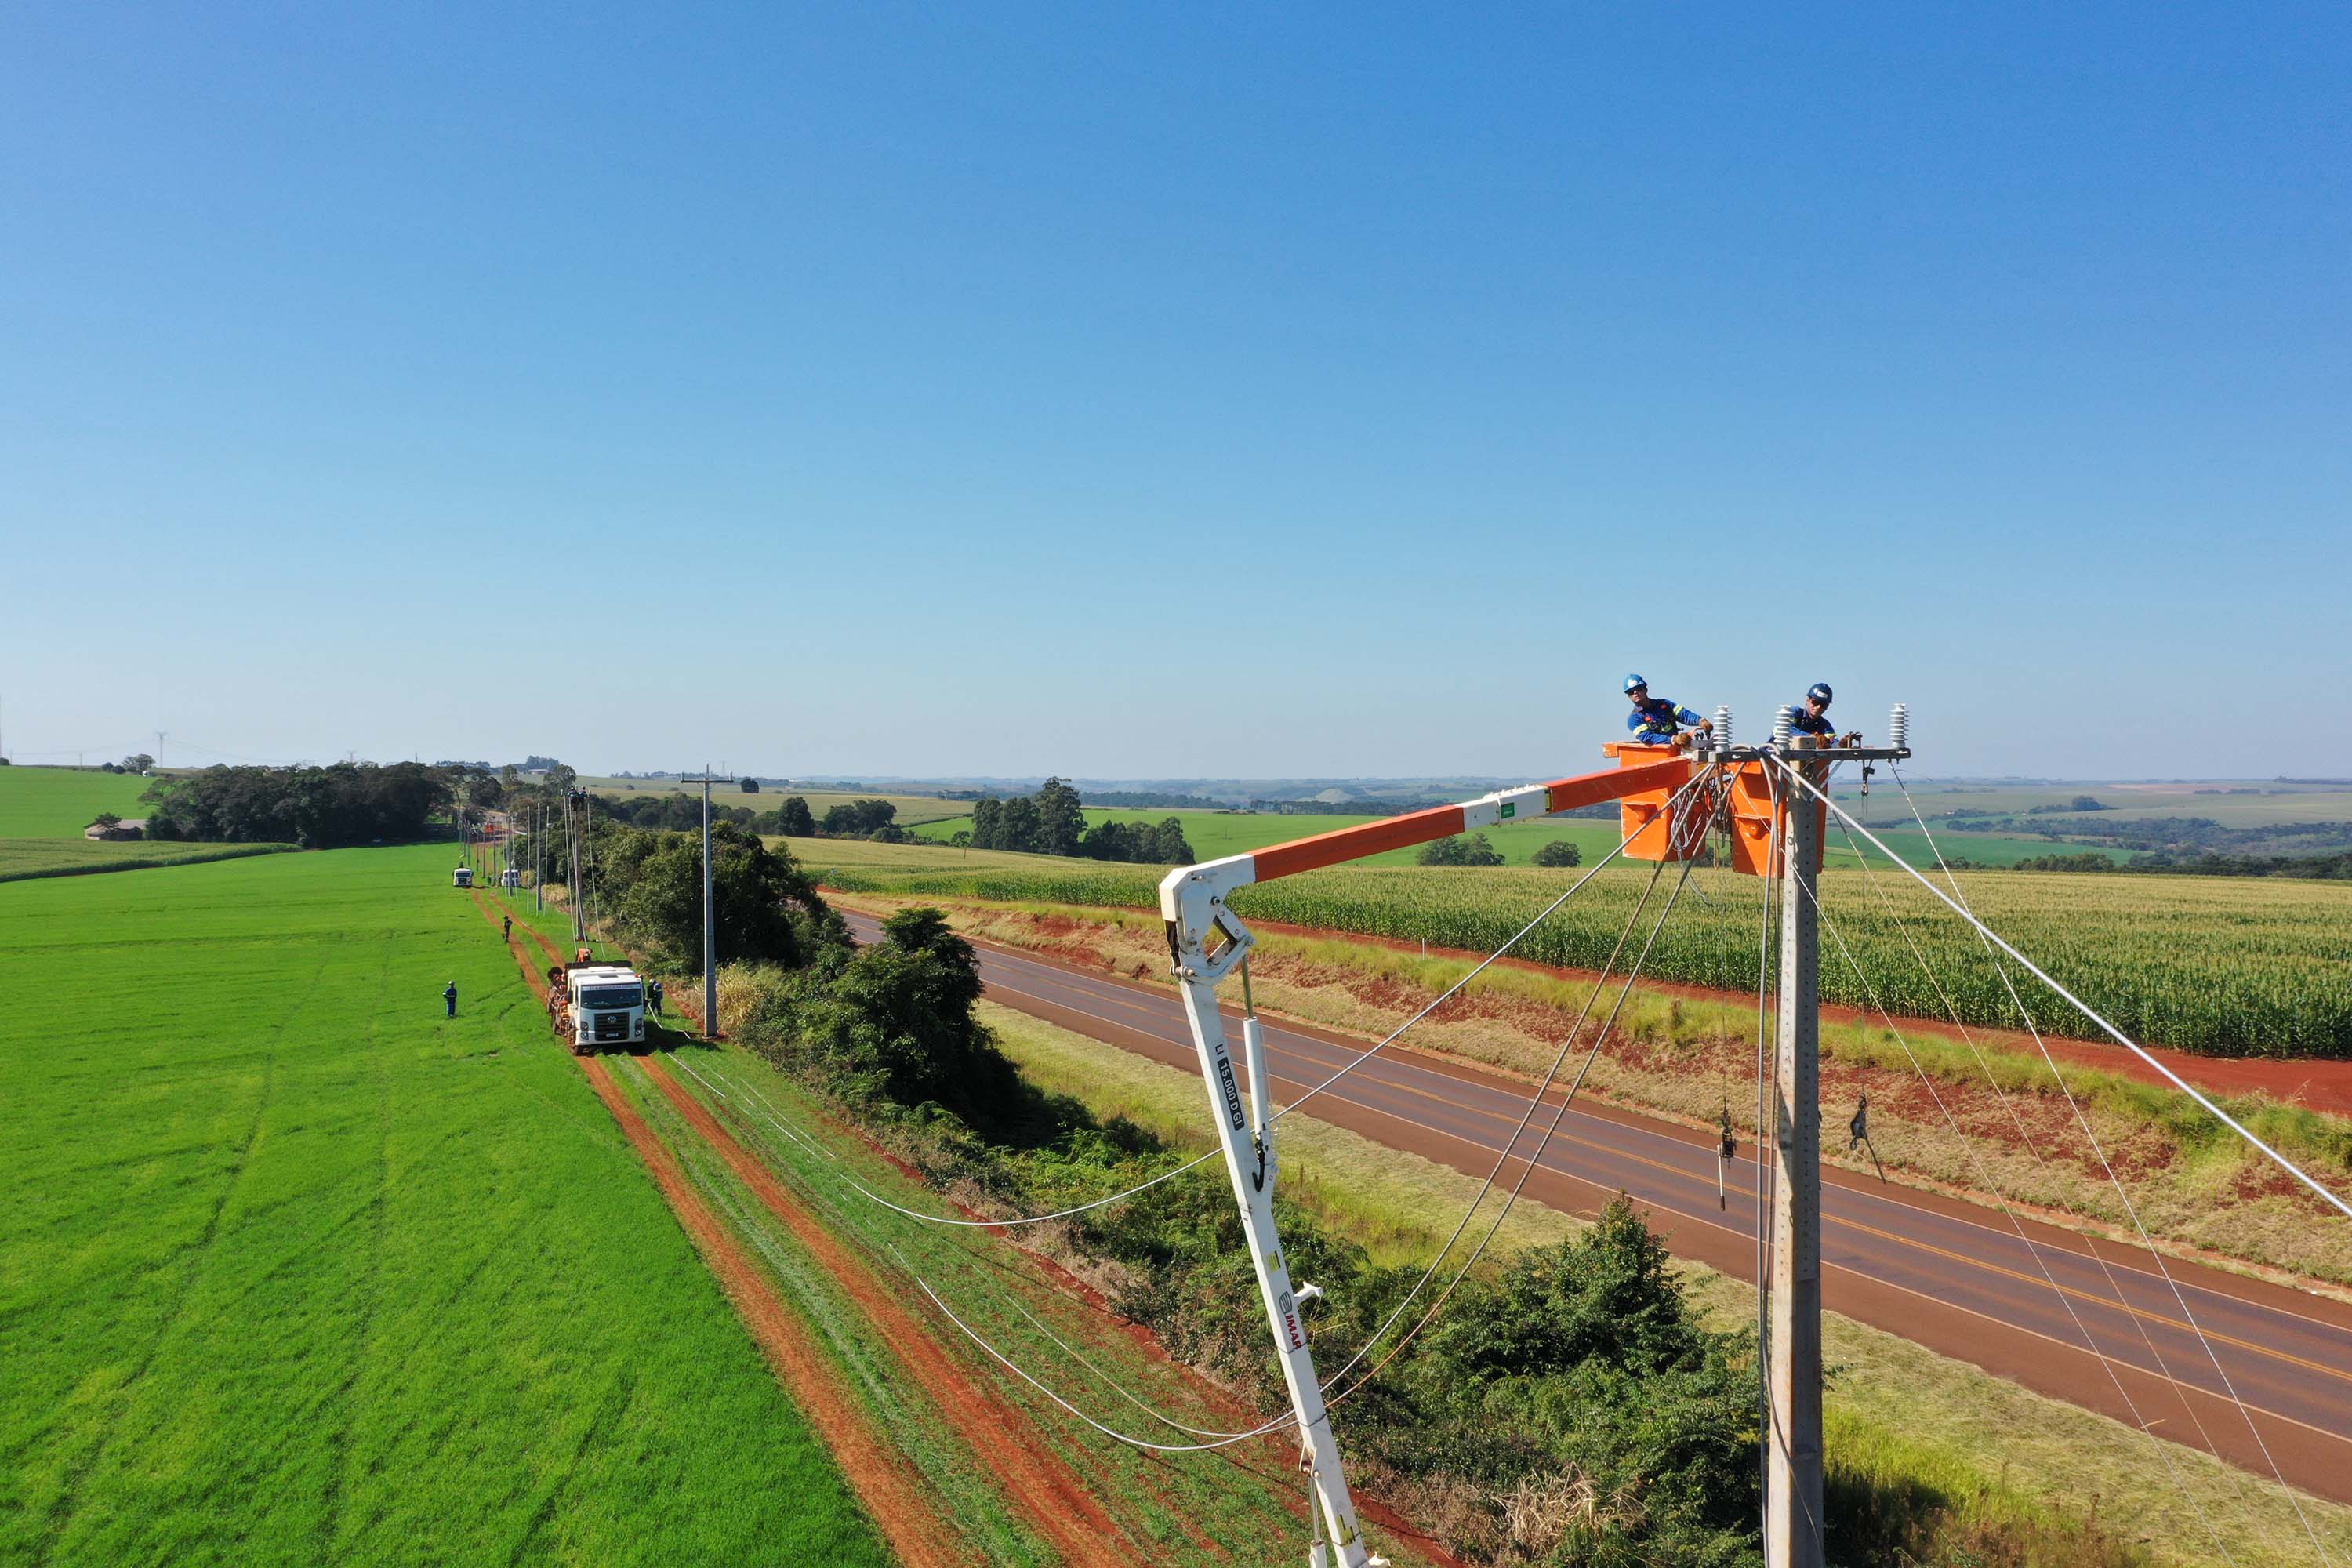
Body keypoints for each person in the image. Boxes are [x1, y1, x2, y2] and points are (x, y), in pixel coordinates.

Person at [1621, 674, 1713, 748]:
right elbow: (1648, 737)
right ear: (1628, 696)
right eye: (1631, 692)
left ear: (1645, 689)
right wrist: (1673, 740)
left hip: (1675, 751)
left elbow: (1683, 715)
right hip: (1657, 756)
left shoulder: (1664, 704)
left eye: (1638, 689)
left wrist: (1700, 721)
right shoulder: (1634, 719)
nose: (1635, 693)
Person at [1786, 681, 1860, 746]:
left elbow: (1832, 742)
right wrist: (1811, 737)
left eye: (1823, 705)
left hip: (1802, 760)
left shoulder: (1824, 725)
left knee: (1825, 752)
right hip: (1778, 757)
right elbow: (1787, 730)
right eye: (1815, 702)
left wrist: (1842, 744)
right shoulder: (1794, 712)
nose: (1818, 707)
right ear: (1808, 700)